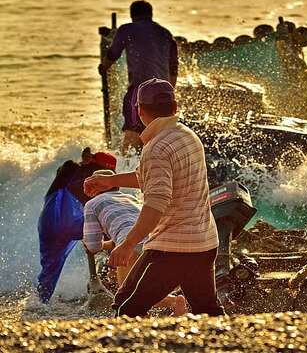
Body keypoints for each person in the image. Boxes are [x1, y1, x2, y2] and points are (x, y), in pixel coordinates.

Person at [84, 78, 224, 317]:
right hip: (204, 242)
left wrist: (127, 245)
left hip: (173, 248)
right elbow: (152, 178)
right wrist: (112, 181)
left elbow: (155, 204)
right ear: (175, 106)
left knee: (126, 307)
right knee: (207, 311)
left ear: (138, 111)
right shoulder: (187, 136)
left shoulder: (156, 148)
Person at [82, 169, 188, 315]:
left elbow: (93, 246)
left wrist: (87, 244)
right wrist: (109, 244)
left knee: (127, 297)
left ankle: (173, 302)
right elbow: (128, 228)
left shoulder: (92, 204)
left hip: (130, 245)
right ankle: (175, 311)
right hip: (157, 240)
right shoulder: (130, 198)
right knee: (145, 291)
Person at [37, 148, 117, 303]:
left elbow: (67, 168)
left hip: (47, 222)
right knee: (110, 235)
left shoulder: (68, 170)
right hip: (72, 223)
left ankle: (40, 302)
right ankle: (111, 276)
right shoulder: (99, 181)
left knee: (49, 268)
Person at [99, 0, 179, 154]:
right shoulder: (165, 33)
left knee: (132, 133)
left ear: (132, 15)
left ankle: (125, 168)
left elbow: (113, 53)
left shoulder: (127, 29)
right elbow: (174, 67)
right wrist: (169, 91)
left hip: (140, 91)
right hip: (164, 94)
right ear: (151, 14)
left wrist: (103, 67)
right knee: (158, 134)